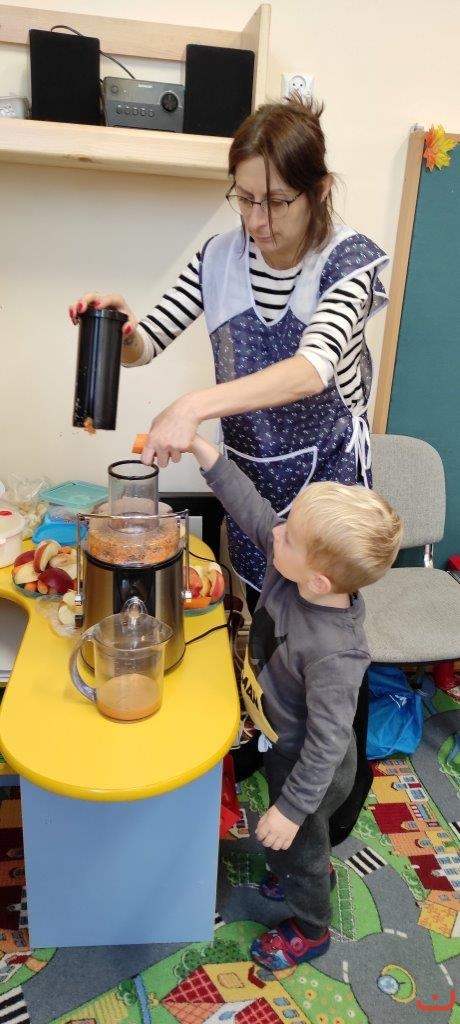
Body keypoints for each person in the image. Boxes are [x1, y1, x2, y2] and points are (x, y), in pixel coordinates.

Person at [70, 97, 388, 830]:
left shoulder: (348, 262)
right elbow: (148, 340)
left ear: (318, 190)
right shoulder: (219, 256)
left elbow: (313, 367)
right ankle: (267, 736)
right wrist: (117, 327)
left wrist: (193, 406)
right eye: (244, 199)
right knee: (265, 627)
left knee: (325, 650)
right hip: (248, 478)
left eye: (277, 202)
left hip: (324, 495)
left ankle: (336, 796)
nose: (258, 221)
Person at [186, 432, 402, 969]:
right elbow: (253, 510)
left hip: (313, 769)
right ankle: (303, 858)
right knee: (296, 840)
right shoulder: (294, 570)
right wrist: (201, 449)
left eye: (288, 535)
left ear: (319, 579)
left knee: (300, 847)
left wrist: (290, 810)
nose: (275, 532)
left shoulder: (336, 653)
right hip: (281, 740)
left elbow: (327, 746)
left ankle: (311, 928)